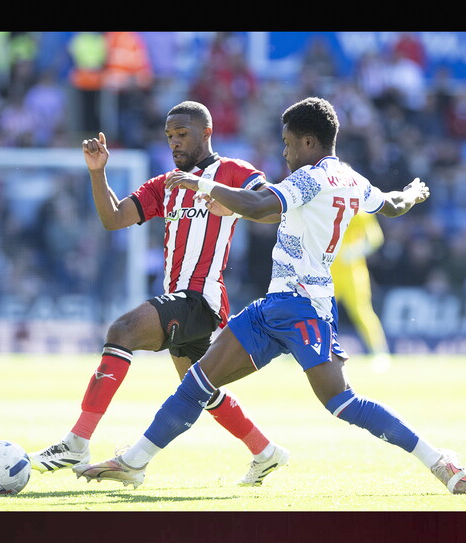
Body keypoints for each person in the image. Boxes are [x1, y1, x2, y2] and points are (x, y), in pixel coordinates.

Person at [74, 97, 466, 494]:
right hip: (275, 307)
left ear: (310, 143)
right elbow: (391, 205)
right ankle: (133, 462)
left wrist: (203, 183)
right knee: (199, 382)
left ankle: (437, 459)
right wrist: (413, 195)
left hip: (303, 309)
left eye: (287, 143)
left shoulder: (309, 179)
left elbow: (262, 203)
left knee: (340, 402)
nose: (284, 152)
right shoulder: (354, 180)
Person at [28, 101, 290, 487]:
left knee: (122, 331)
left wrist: (227, 200)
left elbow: (272, 209)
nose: (174, 143)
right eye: (169, 137)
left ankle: (77, 442)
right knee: (200, 389)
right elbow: (114, 218)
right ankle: (265, 452)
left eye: (182, 135)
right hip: (180, 299)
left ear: (206, 133)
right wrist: (97, 174)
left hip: (202, 299)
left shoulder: (234, 172)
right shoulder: (164, 184)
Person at [329, 210, 393, 373]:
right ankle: (305, 350)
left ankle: (380, 353)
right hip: (329, 271)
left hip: (353, 272)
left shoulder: (359, 211)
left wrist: (356, 251)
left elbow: (375, 239)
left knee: (362, 312)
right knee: (319, 313)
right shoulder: (327, 205)